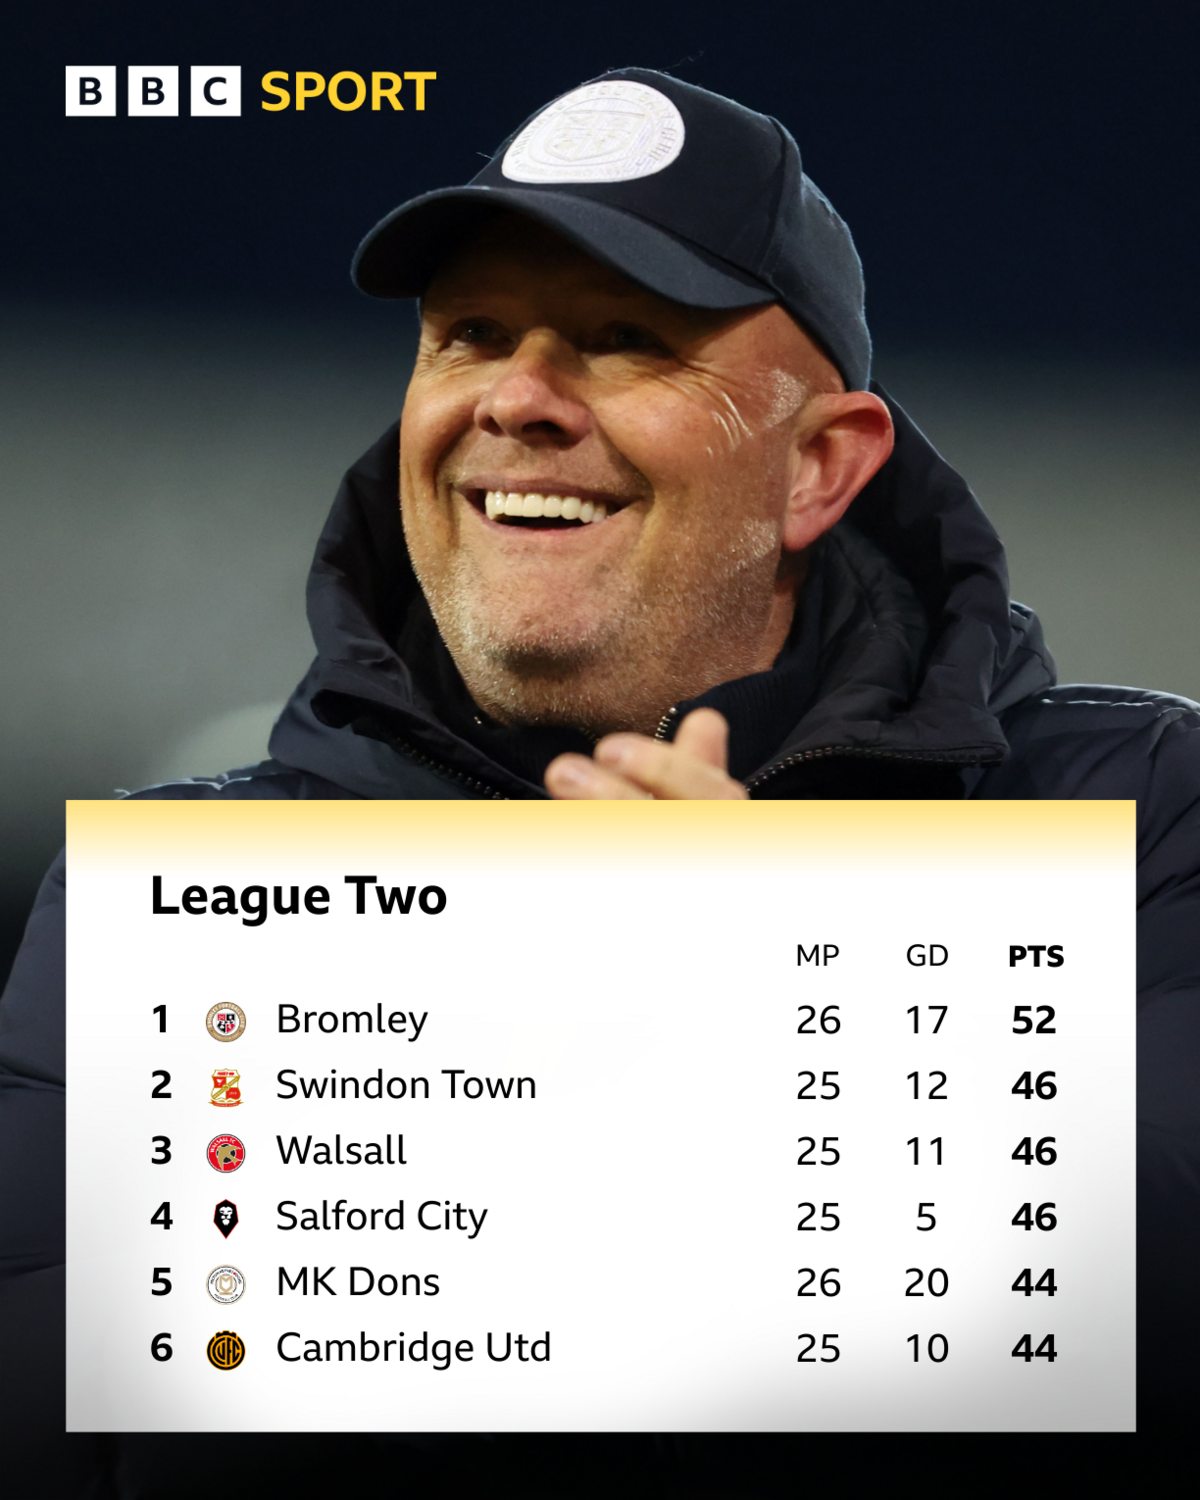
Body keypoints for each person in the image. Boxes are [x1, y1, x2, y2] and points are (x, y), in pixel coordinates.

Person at [2, 66, 1197, 1494]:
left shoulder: (1134, 822)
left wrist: (796, 992)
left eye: (628, 342)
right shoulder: (165, 906)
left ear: (819, 469)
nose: (519, 399)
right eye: (471, 334)